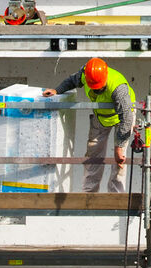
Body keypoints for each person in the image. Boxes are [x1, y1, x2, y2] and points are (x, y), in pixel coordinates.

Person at [43, 58, 136, 192]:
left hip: (122, 118)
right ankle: (89, 196)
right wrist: (57, 90)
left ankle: (116, 196)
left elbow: (126, 118)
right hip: (101, 117)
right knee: (93, 156)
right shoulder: (85, 74)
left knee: (120, 160)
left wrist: (119, 147)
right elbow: (71, 81)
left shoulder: (118, 87)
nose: (97, 90)